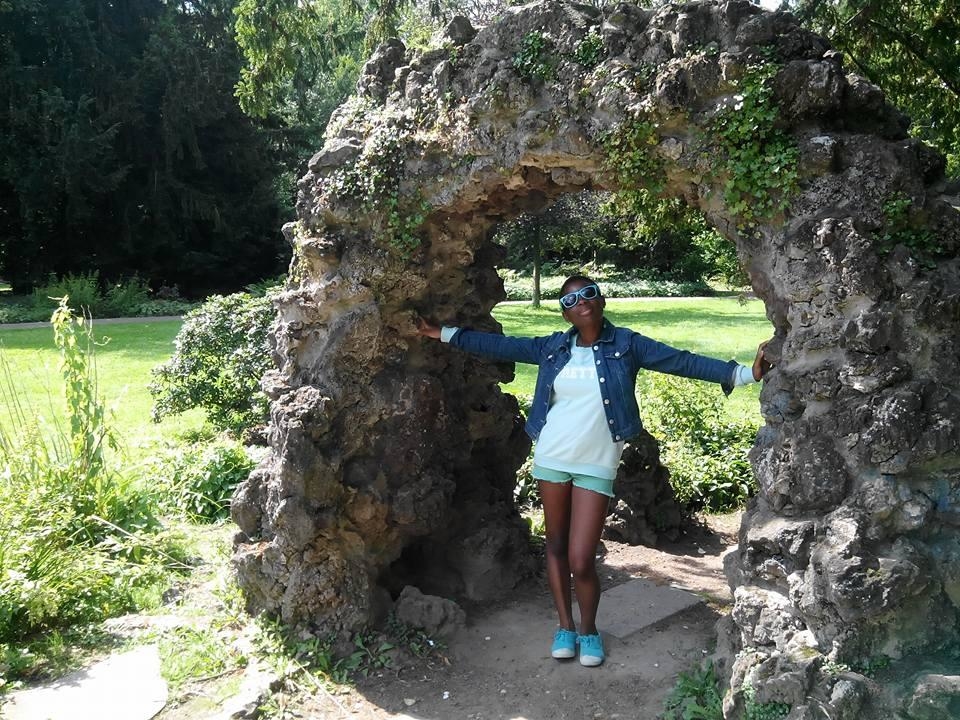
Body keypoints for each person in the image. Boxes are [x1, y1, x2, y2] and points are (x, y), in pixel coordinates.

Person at [416, 274, 772, 667]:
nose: (580, 302)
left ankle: (589, 630)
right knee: (555, 547)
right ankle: (565, 627)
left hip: (596, 463)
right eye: (570, 300)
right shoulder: (552, 347)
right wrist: (441, 333)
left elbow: (681, 361)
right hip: (553, 457)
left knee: (581, 558)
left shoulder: (627, 345)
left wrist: (745, 374)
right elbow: (499, 345)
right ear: (565, 314)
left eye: (588, 293)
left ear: (600, 300)